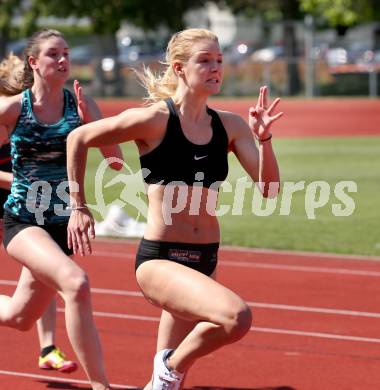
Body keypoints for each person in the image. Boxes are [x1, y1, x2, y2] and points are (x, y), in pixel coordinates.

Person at [66, 28, 282, 390]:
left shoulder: (230, 125)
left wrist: (264, 139)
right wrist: (79, 206)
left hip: (205, 258)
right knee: (236, 318)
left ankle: (164, 376)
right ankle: (170, 366)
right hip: (162, 260)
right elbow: (79, 137)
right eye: (205, 61)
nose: (215, 68)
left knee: (166, 389)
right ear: (180, 69)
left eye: (219, 61)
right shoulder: (154, 119)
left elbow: (270, 189)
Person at [0, 30, 123, 390]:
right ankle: (102, 385)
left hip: (61, 225)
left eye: (67, 53)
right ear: (34, 63)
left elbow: (115, 162)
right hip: (23, 221)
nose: (63, 60)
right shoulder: (12, 109)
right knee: (76, 284)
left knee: (20, 316)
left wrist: (92, 125)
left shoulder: (80, 104)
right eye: (53, 54)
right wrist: (15, 181)